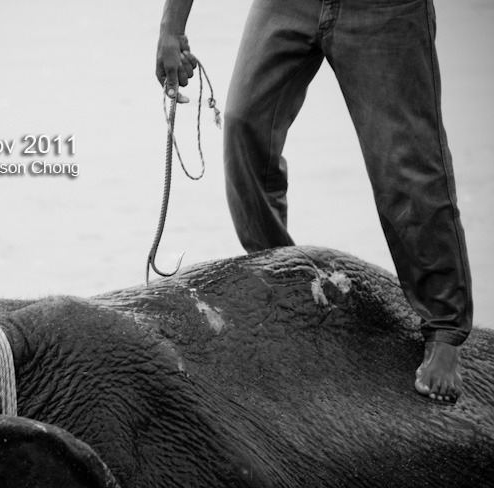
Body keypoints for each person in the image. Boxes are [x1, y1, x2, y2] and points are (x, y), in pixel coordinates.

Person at [155, 0, 472, 402]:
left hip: (383, 9)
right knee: (243, 123)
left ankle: (444, 328)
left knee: (404, 162)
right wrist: (171, 28)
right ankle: (280, 272)